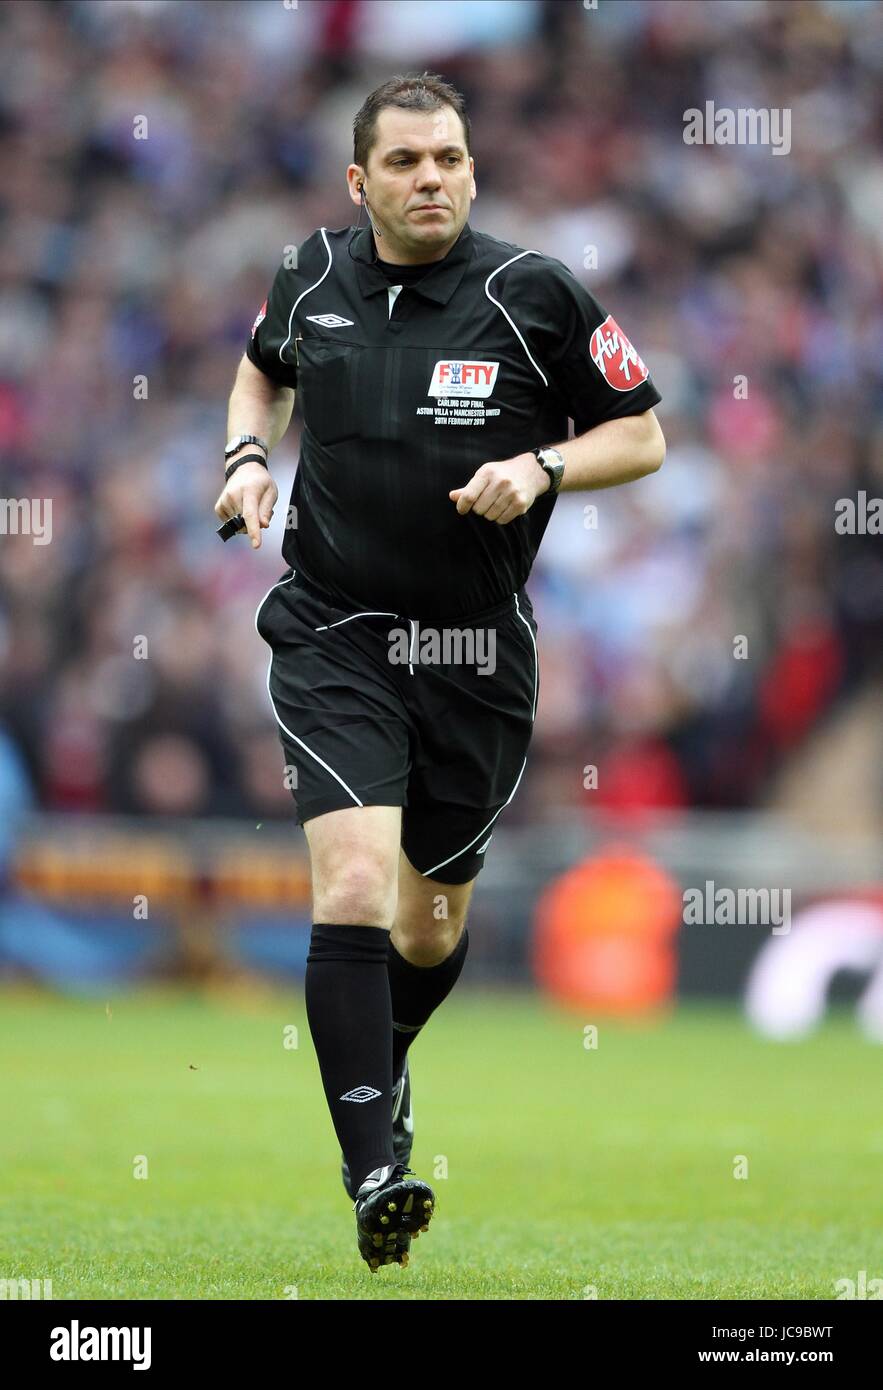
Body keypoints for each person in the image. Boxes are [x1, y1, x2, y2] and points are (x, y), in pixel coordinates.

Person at [216, 72, 665, 1272]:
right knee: (354, 882)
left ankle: (384, 1060)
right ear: (360, 181)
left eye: (451, 160)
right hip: (333, 630)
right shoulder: (308, 275)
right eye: (407, 163)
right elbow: (261, 368)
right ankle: (375, 1169)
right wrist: (248, 455)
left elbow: (643, 432)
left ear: (473, 170)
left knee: (426, 921)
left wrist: (544, 468)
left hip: (473, 652)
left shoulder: (534, 295)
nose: (432, 180)